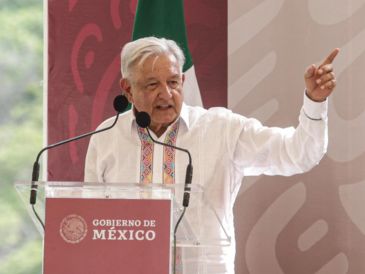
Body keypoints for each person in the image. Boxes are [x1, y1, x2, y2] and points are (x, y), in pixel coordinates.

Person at [84, 37, 339, 273]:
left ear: (183, 82)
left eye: (173, 82)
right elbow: (90, 221)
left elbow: (299, 153)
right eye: (152, 85)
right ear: (128, 90)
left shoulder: (221, 129)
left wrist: (314, 103)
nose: (166, 93)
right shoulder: (107, 137)